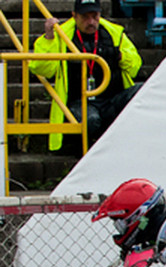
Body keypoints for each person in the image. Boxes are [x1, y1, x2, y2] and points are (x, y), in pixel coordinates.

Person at [32, 0, 142, 154]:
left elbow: (135, 68)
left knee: (141, 91)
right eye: (85, 17)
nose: (91, 22)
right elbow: (42, 69)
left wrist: (120, 56)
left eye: (94, 16)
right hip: (80, 102)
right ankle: (85, 153)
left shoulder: (115, 33)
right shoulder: (61, 34)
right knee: (90, 120)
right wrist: (49, 38)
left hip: (110, 99)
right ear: (74, 16)